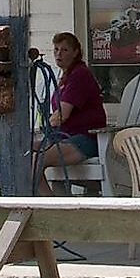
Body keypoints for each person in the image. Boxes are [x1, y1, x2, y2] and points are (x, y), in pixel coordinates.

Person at [35, 31, 107, 192]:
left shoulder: (80, 75)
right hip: (65, 137)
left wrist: (47, 127)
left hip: (86, 139)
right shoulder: (66, 76)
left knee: (35, 162)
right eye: (56, 49)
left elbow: (61, 115)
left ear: (75, 52)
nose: (59, 54)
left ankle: (51, 208)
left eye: (64, 50)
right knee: (22, 150)